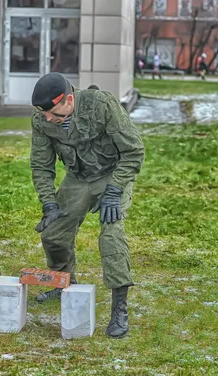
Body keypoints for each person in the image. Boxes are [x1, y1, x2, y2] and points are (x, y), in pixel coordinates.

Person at [30, 72, 145, 338]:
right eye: (44, 113)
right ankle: (63, 282)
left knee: (111, 234)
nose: (48, 118)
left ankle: (120, 308)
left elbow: (133, 150)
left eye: (54, 113)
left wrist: (115, 191)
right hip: (78, 179)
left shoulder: (101, 105)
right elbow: (41, 165)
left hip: (113, 175)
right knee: (53, 234)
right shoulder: (42, 120)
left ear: (69, 100)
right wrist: (49, 204)